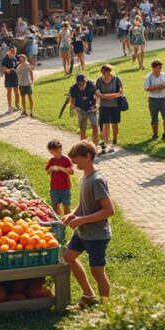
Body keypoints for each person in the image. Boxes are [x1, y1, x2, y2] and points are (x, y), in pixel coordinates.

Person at [62, 140, 114, 309]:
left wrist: (82, 220)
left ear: (88, 156)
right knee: (68, 257)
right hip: (83, 232)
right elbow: (84, 203)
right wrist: (73, 214)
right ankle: (89, 295)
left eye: (76, 158)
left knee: (97, 271)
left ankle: (106, 307)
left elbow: (108, 210)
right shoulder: (85, 176)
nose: (73, 161)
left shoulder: (97, 180)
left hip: (96, 235)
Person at [95, 65, 123, 154]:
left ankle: (114, 142)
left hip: (115, 106)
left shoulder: (117, 80)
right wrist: (114, 95)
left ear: (110, 71)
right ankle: (106, 144)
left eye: (105, 72)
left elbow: (121, 93)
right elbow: (98, 94)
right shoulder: (99, 81)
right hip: (104, 106)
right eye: (102, 72)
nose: (104, 74)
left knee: (115, 125)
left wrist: (104, 96)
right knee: (105, 125)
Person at [69, 74, 100, 147]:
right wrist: (75, 108)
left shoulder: (91, 85)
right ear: (77, 83)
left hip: (92, 108)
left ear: (86, 81)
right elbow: (72, 101)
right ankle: (83, 147)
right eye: (79, 84)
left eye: (83, 83)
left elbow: (97, 96)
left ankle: (94, 146)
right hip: (81, 109)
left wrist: (97, 105)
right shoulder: (73, 88)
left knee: (95, 128)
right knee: (82, 129)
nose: (81, 85)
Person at [46, 140, 74, 216]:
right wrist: (51, 168)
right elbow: (48, 171)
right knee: (55, 206)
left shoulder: (66, 159)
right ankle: (58, 219)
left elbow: (71, 172)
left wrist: (59, 168)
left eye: (56, 151)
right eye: (52, 152)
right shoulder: (52, 160)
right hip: (54, 188)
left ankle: (67, 219)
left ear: (61, 148)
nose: (55, 153)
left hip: (65, 188)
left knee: (66, 206)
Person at [144, 60, 165, 142]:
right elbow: (146, 88)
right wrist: (159, 87)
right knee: (154, 118)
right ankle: (155, 135)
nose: (160, 69)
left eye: (160, 68)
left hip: (163, 99)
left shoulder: (164, 75)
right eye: (159, 68)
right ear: (153, 68)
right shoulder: (148, 77)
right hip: (153, 100)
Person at [1, 46, 20, 113]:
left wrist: (15, 70)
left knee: (16, 91)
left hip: (15, 77)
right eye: (14, 52)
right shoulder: (5, 59)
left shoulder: (14, 59)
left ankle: (17, 105)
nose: (15, 54)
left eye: (15, 52)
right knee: (9, 92)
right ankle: (9, 107)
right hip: (8, 78)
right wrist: (8, 70)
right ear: (10, 52)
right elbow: (4, 70)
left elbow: (16, 68)